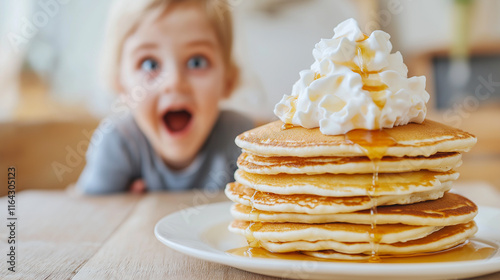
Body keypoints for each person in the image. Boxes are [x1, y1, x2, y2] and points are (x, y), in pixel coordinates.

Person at [77, 0, 253, 194]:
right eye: (150, 64)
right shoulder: (118, 144)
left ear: (228, 81)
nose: (174, 82)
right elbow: (87, 212)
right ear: (120, 85)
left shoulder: (241, 139)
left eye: (196, 62)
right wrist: (123, 208)